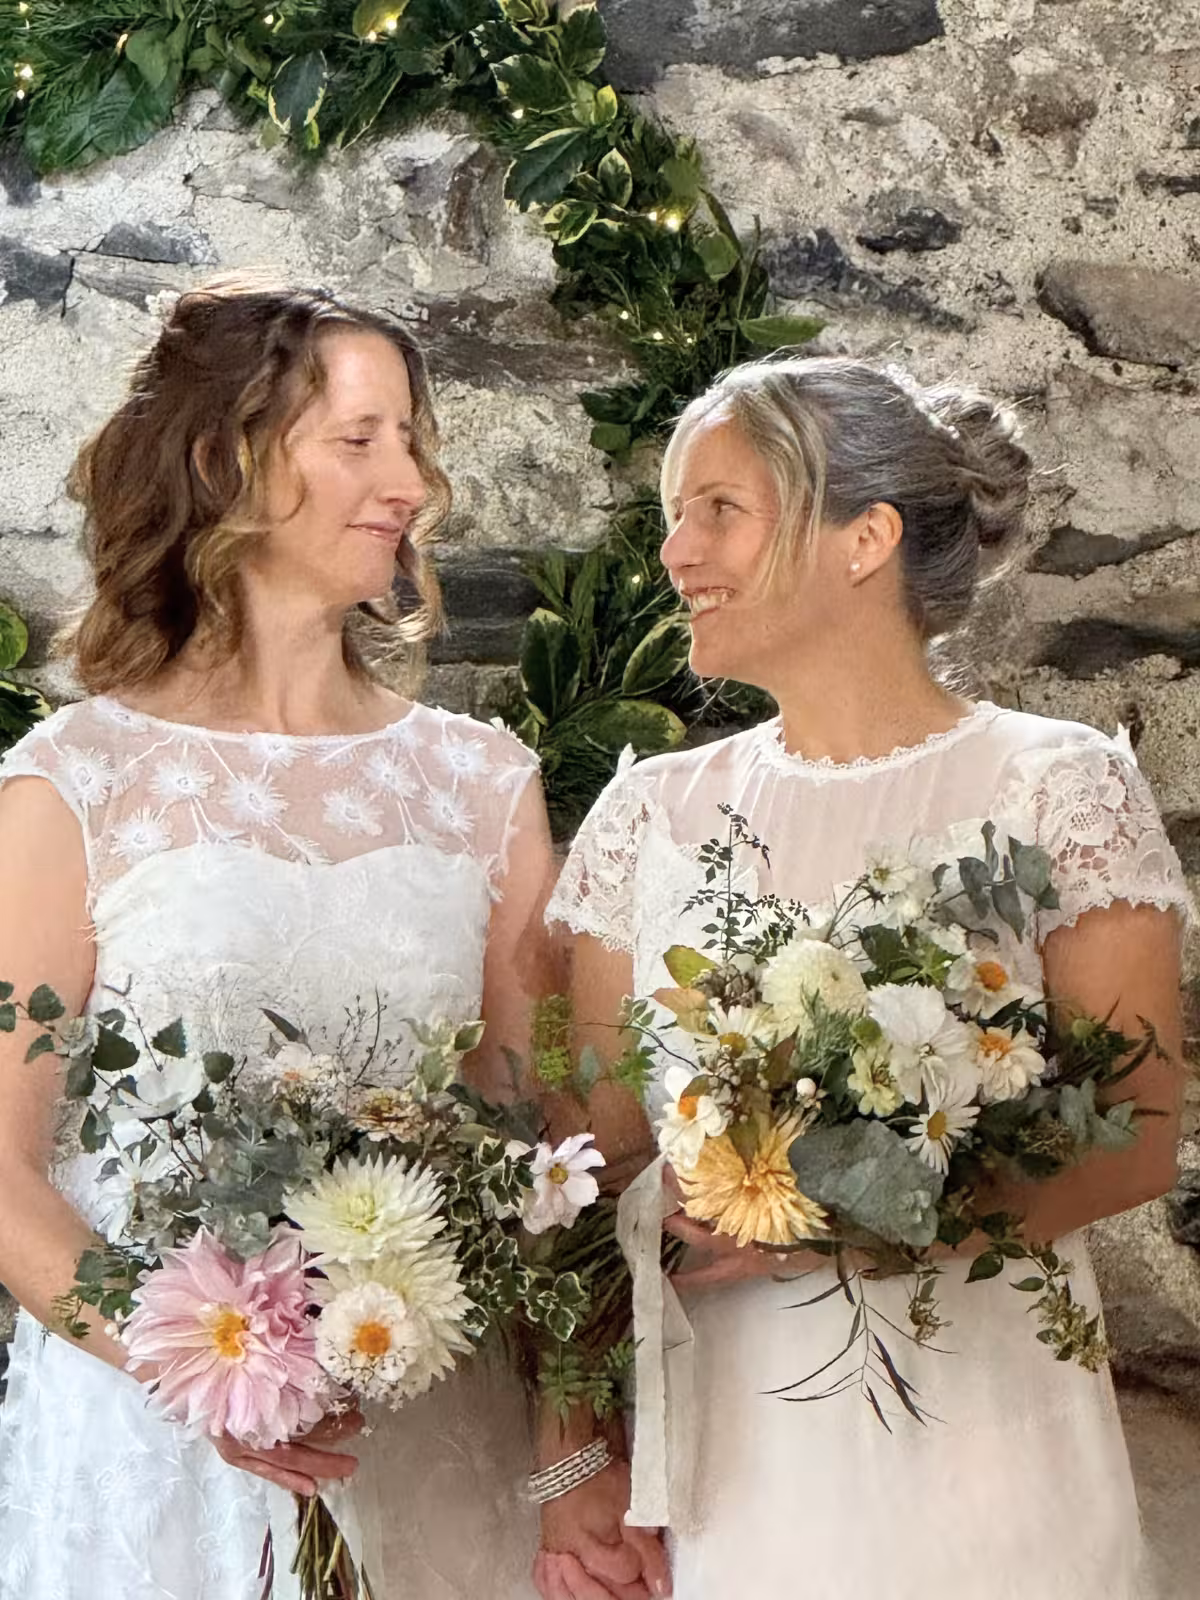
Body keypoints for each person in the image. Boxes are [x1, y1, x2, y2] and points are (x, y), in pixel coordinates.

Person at [541, 355, 1190, 1600]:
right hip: (740, 1467)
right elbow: (589, 1176)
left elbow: (1138, 1138)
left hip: (995, 1456)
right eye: (675, 515)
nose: (677, 552)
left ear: (864, 539)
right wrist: (572, 1459)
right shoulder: (653, 815)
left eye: (717, 509)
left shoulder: (1054, 785)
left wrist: (863, 1218)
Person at [0, 279, 556, 1600]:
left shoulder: (482, 786)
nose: (409, 480)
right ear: (223, 461)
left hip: (431, 1448)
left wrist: (568, 1484)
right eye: (358, 440)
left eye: (412, 439)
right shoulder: (73, 783)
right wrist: (209, 1369)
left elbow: (547, 1163)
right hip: (154, 1452)